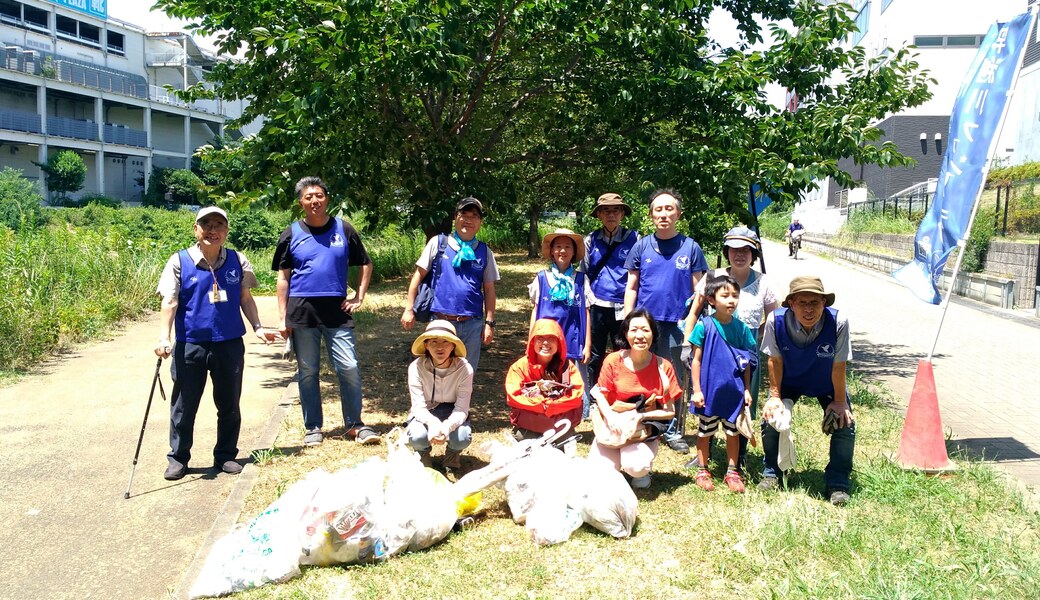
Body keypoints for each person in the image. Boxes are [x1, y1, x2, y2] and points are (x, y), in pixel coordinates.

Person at [155, 206, 271, 480]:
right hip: (190, 344)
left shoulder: (237, 260)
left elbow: (245, 298)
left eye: (219, 225)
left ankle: (226, 455)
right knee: (184, 405)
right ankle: (178, 458)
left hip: (229, 343)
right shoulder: (179, 261)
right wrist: (164, 337)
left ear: (227, 231)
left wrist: (258, 326)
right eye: (206, 224)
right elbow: (169, 301)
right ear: (195, 229)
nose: (212, 230)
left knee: (229, 403)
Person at [274, 176, 376, 447]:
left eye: (319, 195)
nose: (314, 201)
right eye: (308, 197)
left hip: (337, 311)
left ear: (327, 198)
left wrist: (359, 296)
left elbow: (365, 263)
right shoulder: (291, 233)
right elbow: (283, 278)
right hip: (302, 311)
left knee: (349, 366)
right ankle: (313, 428)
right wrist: (283, 317)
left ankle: (354, 423)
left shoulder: (344, 229)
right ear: (301, 202)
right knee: (307, 371)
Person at [682, 226, 777, 468]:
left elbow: (774, 320)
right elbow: (694, 312)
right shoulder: (712, 277)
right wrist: (687, 343)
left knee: (744, 401)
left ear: (754, 253)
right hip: (713, 347)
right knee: (709, 397)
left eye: (746, 249)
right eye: (734, 249)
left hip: (745, 349)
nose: (740, 254)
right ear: (727, 252)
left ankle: (740, 454)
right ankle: (705, 453)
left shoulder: (764, 282)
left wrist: (759, 344)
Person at [623, 189, 708, 454]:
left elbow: (699, 291)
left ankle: (673, 430)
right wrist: (629, 320)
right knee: (643, 372)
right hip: (645, 323)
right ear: (651, 215)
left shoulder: (691, 247)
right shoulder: (642, 245)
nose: (663, 214)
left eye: (669, 209)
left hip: (678, 324)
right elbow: (632, 287)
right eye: (658, 210)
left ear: (678, 214)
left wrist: (692, 325)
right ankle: (647, 421)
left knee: (674, 376)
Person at [759, 276, 856, 506]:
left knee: (845, 423)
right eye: (802, 302)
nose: (809, 309)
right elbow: (775, 361)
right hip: (789, 379)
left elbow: (839, 365)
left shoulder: (839, 321)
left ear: (825, 303)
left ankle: (838, 482)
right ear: (791, 303)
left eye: (815, 302)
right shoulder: (775, 320)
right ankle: (772, 472)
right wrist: (774, 397)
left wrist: (840, 402)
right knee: (771, 417)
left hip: (826, 381)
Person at [402, 197, 500, 375]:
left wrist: (489, 323)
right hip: (440, 321)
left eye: (474, 216)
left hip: (472, 323)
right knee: (437, 373)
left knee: (466, 374)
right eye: (464, 214)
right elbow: (418, 276)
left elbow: (489, 289)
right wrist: (409, 309)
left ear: (480, 222)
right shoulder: (438, 244)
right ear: (456, 217)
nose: (468, 220)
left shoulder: (485, 251)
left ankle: (462, 404)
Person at [589, 309, 681, 489]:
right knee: (601, 473)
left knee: (636, 466)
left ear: (653, 334)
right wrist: (611, 417)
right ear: (626, 333)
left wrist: (641, 417)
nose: (640, 335)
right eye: (634, 330)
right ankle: (616, 460)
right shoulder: (613, 360)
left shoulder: (664, 366)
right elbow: (601, 396)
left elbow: (670, 411)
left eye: (645, 330)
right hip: (613, 425)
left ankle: (642, 470)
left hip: (641, 430)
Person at [688, 275, 758, 493]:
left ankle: (732, 471)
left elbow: (747, 362)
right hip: (709, 392)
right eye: (725, 295)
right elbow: (696, 360)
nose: (731, 301)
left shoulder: (742, 329)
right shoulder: (704, 326)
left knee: (732, 432)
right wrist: (697, 390)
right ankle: (702, 469)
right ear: (711, 299)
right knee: (705, 431)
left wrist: (746, 389)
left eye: (735, 296)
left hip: (734, 392)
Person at [583, 192, 640, 404]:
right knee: (594, 354)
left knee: (624, 352)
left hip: (623, 306)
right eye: (606, 210)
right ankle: (593, 397)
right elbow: (584, 273)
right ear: (599, 214)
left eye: (616, 209)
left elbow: (639, 274)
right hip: (597, 304)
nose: (611, 214)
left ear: (623, 213)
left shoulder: (635, 239)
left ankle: (622, 395)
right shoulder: (590, 240)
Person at [529, 228, 592, 417]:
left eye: (567, 247)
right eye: (558, 247)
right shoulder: (541, 279)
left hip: (573, 340)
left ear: (574, 252)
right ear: (551, 251)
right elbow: (535, 310)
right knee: (546, 377)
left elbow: (586, 312)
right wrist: (531, 337)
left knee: (573, 379)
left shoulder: (581, 280)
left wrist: (587, 344)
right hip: (546, 341)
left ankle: (575, 416)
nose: (562, 251)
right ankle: (546, 414)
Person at [505, 319, 584, 448]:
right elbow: (513, 397)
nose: (545, 343)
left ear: (559, 343)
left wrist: (552, 406)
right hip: (529, 426)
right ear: (532, 342)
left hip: (560, 426)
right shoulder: (519, 367)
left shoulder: (567, 368)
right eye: (540, 338)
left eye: (551, 338)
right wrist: (543, 405)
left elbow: (576, 397)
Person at [406, 320, 474, 471]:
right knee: (417, 436)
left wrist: (446, 427)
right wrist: (433, 424)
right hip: (427, 410)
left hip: (453, 410)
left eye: (446, 342)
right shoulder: (416, 367)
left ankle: (452, 454)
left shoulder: (465, 369)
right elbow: (418, 406)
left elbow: (462, 408)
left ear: (453, 346)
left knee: (462, 437)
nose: (440, 347)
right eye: (434, 342)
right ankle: (422, 454)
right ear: (426, 345)